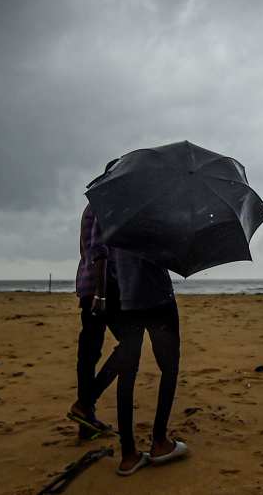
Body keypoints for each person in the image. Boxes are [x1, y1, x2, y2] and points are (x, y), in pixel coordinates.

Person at [84, 210, 189, 476]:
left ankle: (128, 454)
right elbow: (170, 253)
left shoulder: (110, 209)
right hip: (158, 298)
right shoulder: (154, 209)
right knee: (169, 368)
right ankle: (159, 441)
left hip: (128, 299)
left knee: (128, 374)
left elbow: (100, 252)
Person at [67, 201, 121, 440]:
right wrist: (101, 294)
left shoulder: (93, 205)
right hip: (103, 288)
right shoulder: (106, 203)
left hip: (89, 284)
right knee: (130, 344)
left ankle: (85, 421)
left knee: (88, 354)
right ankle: (86, 404)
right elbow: (99, 250)